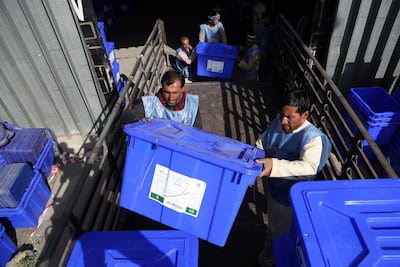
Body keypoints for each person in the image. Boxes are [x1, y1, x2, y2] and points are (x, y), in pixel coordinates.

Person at [255, 89, 332, 267]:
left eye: (289, 117)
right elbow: (265, 139)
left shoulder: (312, 139)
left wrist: (274, 165)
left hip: (288, 198)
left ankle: (267, 260)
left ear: (305, 114)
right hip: (274, 185)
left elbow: (309, 167)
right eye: (282, 115)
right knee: (275, 222)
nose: (283, 121)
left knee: (276, 232)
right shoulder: (279, 121)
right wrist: (255, 152)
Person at [120, 69, 202, 128]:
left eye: (175, 93)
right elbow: (127, 116)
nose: (171, 97)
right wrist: (138, 120)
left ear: (183, 89)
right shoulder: (150, 103)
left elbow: (198, 132)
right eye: (167, 92)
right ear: (162, 88)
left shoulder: (192, 105)